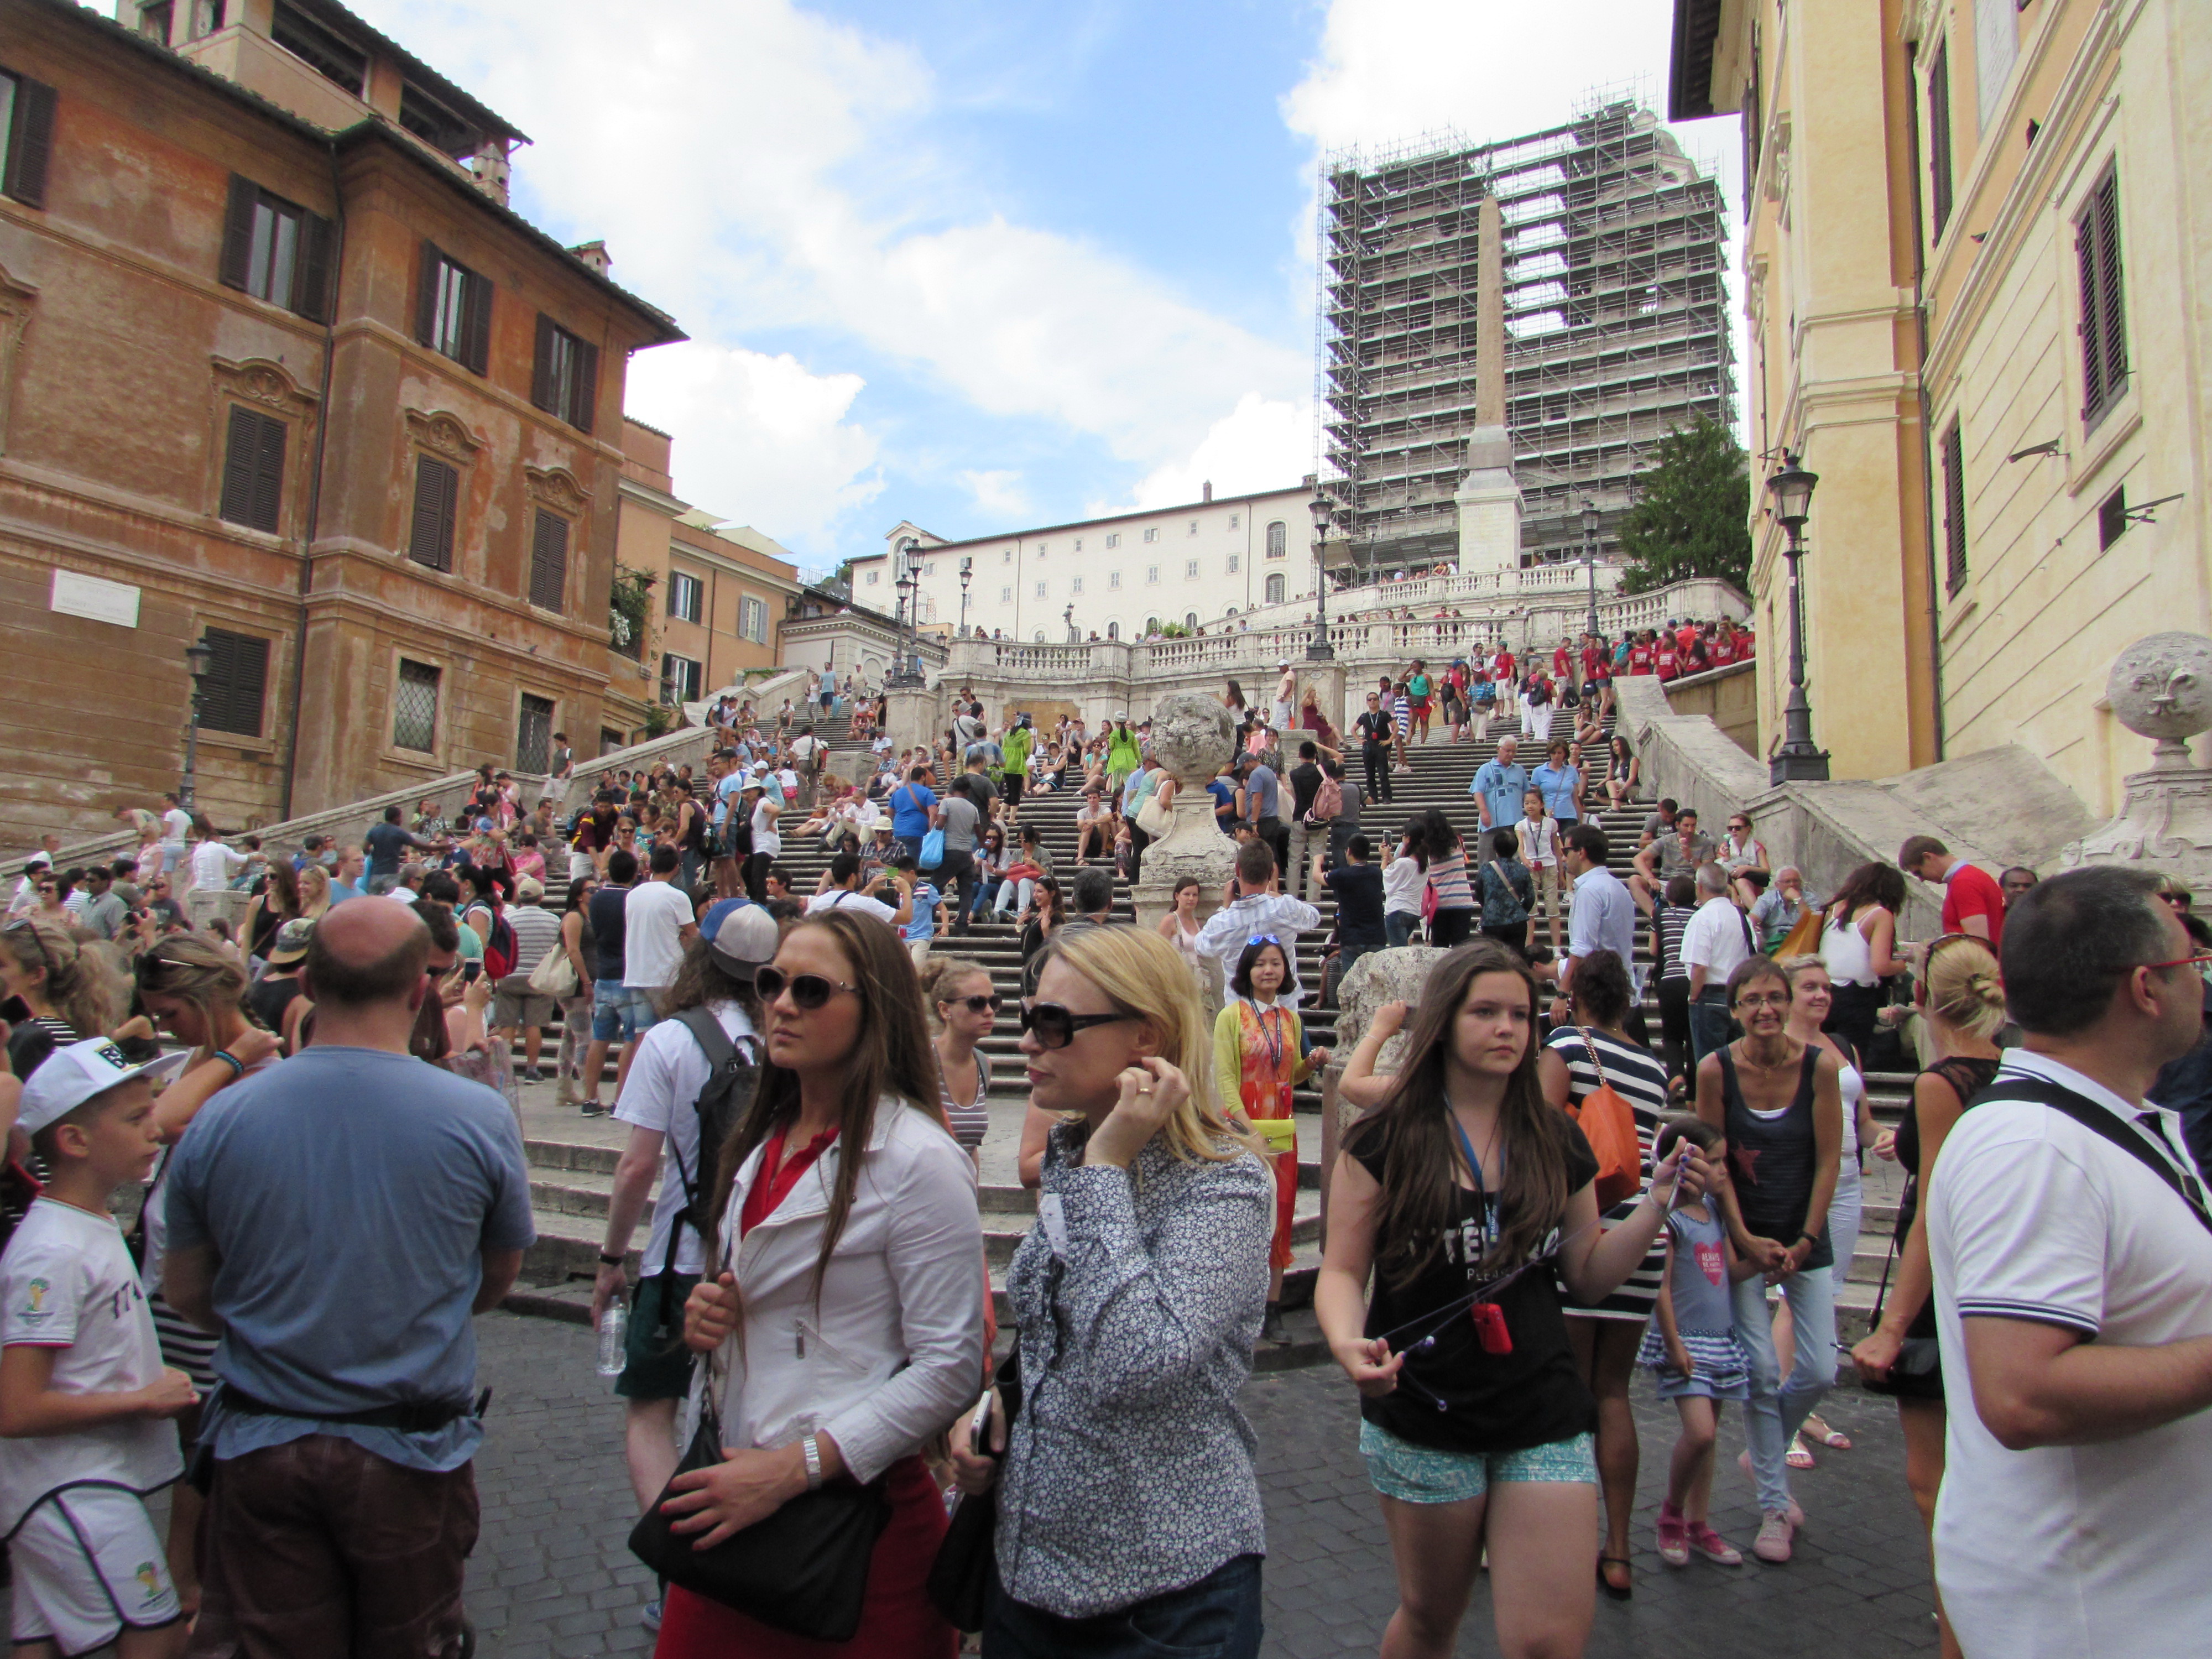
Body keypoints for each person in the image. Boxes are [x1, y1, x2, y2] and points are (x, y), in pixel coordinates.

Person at [161, 900, 533, 1655]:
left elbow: (189, 1294)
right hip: (408, 1449)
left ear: (307, 981)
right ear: (419, 991)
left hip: (262, 1439)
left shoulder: (221, 1119)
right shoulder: (478, 1117)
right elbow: (495, 1280)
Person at [1313, 940, 1694, 1659]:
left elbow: (1585, 1273)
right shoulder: (1385, 1139)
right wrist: (1343, 1340)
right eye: (1486, 1012)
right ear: (1444, 1023)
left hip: (1542, 1405)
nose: (1508, 1029)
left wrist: (1655, 1207)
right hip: (1426, 1405)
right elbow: (1340, 1272)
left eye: (1520, 1015)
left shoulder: (1556, 1138)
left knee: (1550, 1642)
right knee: (1432, 1619)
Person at [1911, 869, 2212, 1658]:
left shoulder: (2092, 1128)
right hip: (2096, 1618)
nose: (2203, 980)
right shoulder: (2036, 1150)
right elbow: (2022, 1394)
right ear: (2146, 987)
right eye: (2194, 965)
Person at [950, 926, 1274, 1658]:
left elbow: (1138, 1360)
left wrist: (1105, 1170)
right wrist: (994, 1408)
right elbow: (1053, 1329)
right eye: (1029, 1018)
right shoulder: (1076, 1150)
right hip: (1030, 1572)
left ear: (1145, 1037)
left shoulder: (1225, 1185)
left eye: (1054, 1024)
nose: (1028, 1042)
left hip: (1166, 1596)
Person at [670, 910, 987, 1656]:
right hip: (739, 1496)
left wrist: (796, 1468)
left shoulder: (920, 1160)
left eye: (811, 990)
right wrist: (713, 1313)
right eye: (773, 982)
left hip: (851, 1523)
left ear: (873, 1008)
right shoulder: (765, 1133)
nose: (782, 1003)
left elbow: (951, 1366)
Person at [589, 905, 776, 1635]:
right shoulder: (781, 1036)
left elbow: (639, 1166)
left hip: (677, 1259)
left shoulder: (669, 1039)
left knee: (650, 1416)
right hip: (754, 1259)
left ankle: (683, 1578)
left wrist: (611, 1258)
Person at [1, 1040, 198, 1659]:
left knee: (43, 1642)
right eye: (136, 1119)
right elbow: (16, 1409)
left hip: (68, 1487)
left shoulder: (87, 1225)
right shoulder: (53, 1250)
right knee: (155, 1637)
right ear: (75, 1141)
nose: (155, 1129)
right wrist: (142, 1398)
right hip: (69, 1487)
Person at [1847, 934, 2006, 1659]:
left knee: (1931, 1483)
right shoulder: (2017, 1068)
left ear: (1920, 1000)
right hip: (2002, 1272)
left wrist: (1893, 1324)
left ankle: (1961, 1629)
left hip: (1949, 1284)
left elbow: (1933, 1210)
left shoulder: (1944, 1081)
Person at [1692, 957, 1843, 1565]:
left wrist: (1806, 1239)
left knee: (1820, 1369)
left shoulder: (1819, 1068)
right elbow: (1714, 1160)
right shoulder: (1716, 1069)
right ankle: (1775, 1506)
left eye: (1775, 998)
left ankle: (1766, 1452)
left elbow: (1829, 1158)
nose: (1765, 1010)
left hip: (1805, 1236)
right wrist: (1743, 1238)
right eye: (1752, 1000)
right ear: (1734, 1010)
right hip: (1743, 1239)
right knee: (1758, 1367)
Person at [1536, 947, 1673, 1599]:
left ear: (1577, 995)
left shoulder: (1564, 1044)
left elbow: (1536, 1129)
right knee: (1613, 1392)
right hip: (1641, 1228)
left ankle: (1552, 1543)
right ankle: (1618, 1549)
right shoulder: (1653, 1065)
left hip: (1582, 1222)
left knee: (1563, 1391)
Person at [1637, 1115, 1755, 1572]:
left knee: (1708, 1440)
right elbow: (1660, 1287)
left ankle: (1699, 1523)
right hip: (1686, 1341)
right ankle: (1671, 1514)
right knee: (1700, 1432)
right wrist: (1672, 1343)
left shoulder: (1716, 1215)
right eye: (1717, 1162)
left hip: (1720, 1341)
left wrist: (1766, 1265)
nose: (1725, 1171)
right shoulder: (1672, 1220)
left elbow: (1728, 1271)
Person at [1776, 953, 1882, 1463]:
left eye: (1825, 988)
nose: (1821, 995)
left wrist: (1886, 1139)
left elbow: (1864, 1120)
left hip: (1847, 1178)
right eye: (1810, 987)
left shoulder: (1842, 1047)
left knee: (1829, 1292)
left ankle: (1805, 1403)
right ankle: (1782, 1413)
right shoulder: (1778, 1050)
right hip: (1803, 1177)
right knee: (1798, 1294)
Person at [1214, 935, 1332, 1343]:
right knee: (1241, 1215)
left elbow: (1291, 1076)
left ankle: (1272, 1307)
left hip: (1281, 1127)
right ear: (1247, 970)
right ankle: (1235, 1306)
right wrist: (1245, 1126)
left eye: (1276, 964)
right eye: (1261, 963)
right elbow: (1226, 1077)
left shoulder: (1290, 1020)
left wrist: (1310, 1063)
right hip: (1243, 1128)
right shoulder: (1232, 1017)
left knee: (1280, 1213)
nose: (1269, 970)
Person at [1198, 842, 1321, 1010]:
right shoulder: (1286, 908)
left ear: (1237, 870)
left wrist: (1224, 908)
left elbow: (1202, 946)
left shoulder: (1221, 922)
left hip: (1241, 1012)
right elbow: (1314, 917)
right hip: (1284, 1010)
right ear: (1271, 873)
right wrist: (1274, 895)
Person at [1817, 861, 1910, 1058]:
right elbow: (1881, 965)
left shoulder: (1836, 907)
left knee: (1822, 1055)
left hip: (1824, 989)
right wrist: (1903, 965)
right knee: (1851, 1057)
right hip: (1856, 997)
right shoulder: (1880, 914)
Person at [579, 849, 641, 1114]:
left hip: (603, 974)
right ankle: (621, 1098)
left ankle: (590, 1097)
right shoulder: (632, 900)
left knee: (600, 1037)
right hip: (627, 974)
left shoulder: (596, 899)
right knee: (630, 1038)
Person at [1556, 825, 1635, 1018]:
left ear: (1581, 852)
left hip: (1598, 991)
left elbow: (1582, 947)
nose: (1564, 858)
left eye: (1566, 851)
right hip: (1620, 983)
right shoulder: (1617, 887)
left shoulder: (1590, 891)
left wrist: (1562, 993)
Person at [922, 954, 995, 1162]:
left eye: (993, 1002)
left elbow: (971, 1149)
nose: (989, 1012)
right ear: (946, 1010)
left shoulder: (983, 1064)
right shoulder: (923, 1061)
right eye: (977, 1003)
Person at [1681, 863, 1755, 1066]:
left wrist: (1693, 998)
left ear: (1700, 887)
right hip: (1739, 995)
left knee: (1710, 1066)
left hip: (1710, 995)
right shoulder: (1742, 917)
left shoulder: (1703, 918)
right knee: (1740, 1064)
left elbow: (1700, 966)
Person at [1898, 833, 2006, 948]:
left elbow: (1979, 943)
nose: (1921, 879)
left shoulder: (1964, 882)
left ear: (1928, 857)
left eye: (1919, 872)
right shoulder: (1969, 877)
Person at [1317, 835, 1387, 977]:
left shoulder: (1343, 875)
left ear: (1349, 851)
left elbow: (1317, 877)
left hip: (1352, 938)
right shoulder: (1376, 873)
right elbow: (1383, 870)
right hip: (1376, 937)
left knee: (1351, 982)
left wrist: (1316, 861)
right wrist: (1385, 857)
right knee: (1375, 981)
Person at [1511, 789, 1563, 956]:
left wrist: (1561, 871)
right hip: (1530, 869)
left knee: (1552, 908)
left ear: (1542, 804)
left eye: (1534, 802)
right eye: (1527, 803)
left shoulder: (1551, 823)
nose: (1530, 806)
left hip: (1549, 866)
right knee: (1530, 910)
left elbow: (1556, 848)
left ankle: (1557, 948)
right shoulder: (1521, 825)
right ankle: (1528, 948)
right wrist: (1524, 859)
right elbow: (1520, 844)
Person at [1467, 735, 1526, 867]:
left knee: (1515, 861)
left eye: (1513, 751)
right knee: (1486, 861)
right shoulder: (1485, 769)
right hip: (1492, 823)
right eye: (1507, 750)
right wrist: (1484, 811)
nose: (1511, 754)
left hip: (1515, 823)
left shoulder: (1519, 770)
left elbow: (1527, 794)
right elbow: (1477, 791)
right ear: (1498, 749)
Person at [1475, 827, 1535, 958]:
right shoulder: (1522, 869)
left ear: (1495, 848)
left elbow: (1479, 893)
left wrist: (1488, 907)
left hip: (1492, 920)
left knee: (1493, 957)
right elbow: (1530, 897)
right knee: (1516, 958)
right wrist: (1520, 910)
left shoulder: (1486, 869)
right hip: (1517, 921)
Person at [1529, 740, 1583, 833]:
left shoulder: (1572, 771)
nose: (1556, 756)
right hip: (1547, 815)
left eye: (1559, 753)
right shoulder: (1539, 771)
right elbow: (1535, 797)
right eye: (1554, 753)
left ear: (1565, 754)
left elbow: (1575, 798)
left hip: (1569, 815)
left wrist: (1580, 820)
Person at [1354, 691, 1394, 805]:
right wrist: (1359, 740)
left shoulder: (1384, 715)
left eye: (1375, 699)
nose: (1372, 701)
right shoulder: (1364, 716)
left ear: (1378, 701)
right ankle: (1373, 798)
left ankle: (1387, 797)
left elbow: (1395, 728)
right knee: (1370, 775)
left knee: (1383, 773)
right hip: (1368, 747)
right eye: (1370, 700)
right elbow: (1354, 729)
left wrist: (1389, 741)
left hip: (1380, 746)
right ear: (1367, 702)